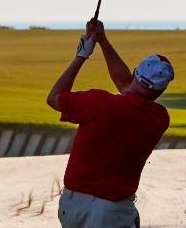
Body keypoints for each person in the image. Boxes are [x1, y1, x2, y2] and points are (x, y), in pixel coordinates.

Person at [46, 17, 174, 228]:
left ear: (135, 72)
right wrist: (102, 40)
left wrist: (82, 54)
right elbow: (127, 86)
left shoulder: (96, 102)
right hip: (115, 213)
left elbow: (54, 97)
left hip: (73, 207)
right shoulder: (159, 119)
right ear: (161, 90)